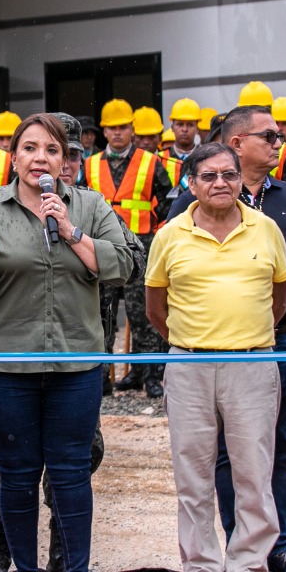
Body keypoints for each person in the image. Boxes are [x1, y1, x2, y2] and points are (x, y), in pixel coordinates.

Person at [0, 113, 139, 572]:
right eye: (30, 148)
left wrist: (72, 231)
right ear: (14, 158)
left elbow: (124, 267)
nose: (41, 158)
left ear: (65, 160)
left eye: (51, 150)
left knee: (71, 473)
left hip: (75, 363)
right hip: (6, 366)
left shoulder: (91, 207)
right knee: (15, 473)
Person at [171, 106, 286, 572]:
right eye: (269, 136)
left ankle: (276, 551)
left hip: (280, 341)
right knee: (220, 455)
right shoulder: (187, 206)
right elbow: (162, 294)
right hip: (218, 348)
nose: (280, 144)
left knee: (279, 450)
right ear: (236, 143)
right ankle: (235, 557)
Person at [146, 141, 286, 572]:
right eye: (208, 176)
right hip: (188, 365)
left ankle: (249, 569)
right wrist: (194, 341)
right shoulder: (170, 235)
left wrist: (243, 336)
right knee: (193, 474)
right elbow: (155, 310)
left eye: (228, 174)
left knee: (253, 471)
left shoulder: (266, 230)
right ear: (191, 184)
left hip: (251, 364)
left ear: (238, 179)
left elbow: (280, 300)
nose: (220, 183)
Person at [88, 99, 175, 398]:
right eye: (112, 128)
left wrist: (153, 226)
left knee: (143, 313)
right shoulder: (90, 164)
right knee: (102, 313)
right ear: (104, 131)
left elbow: (168, 199)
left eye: (123, 127)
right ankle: (101, 377)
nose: (117, 134)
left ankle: (147, 374)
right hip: (101, 246)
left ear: (132, 129)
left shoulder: (151, 162)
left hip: (141, 244)